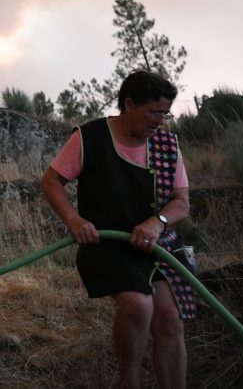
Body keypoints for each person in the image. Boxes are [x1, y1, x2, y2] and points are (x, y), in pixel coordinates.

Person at [40, 71, 195, 389]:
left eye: (165, 114)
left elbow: (181, 203)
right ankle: (129, 384)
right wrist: (73, 220)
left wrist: (157, 223)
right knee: (138, 304)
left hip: (160, 247)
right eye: (154, 112)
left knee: (169, 319)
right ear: (129, 104)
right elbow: (51, 181)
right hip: (108, 246)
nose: (160, 122)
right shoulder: (90, 137)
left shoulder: (167, 145)